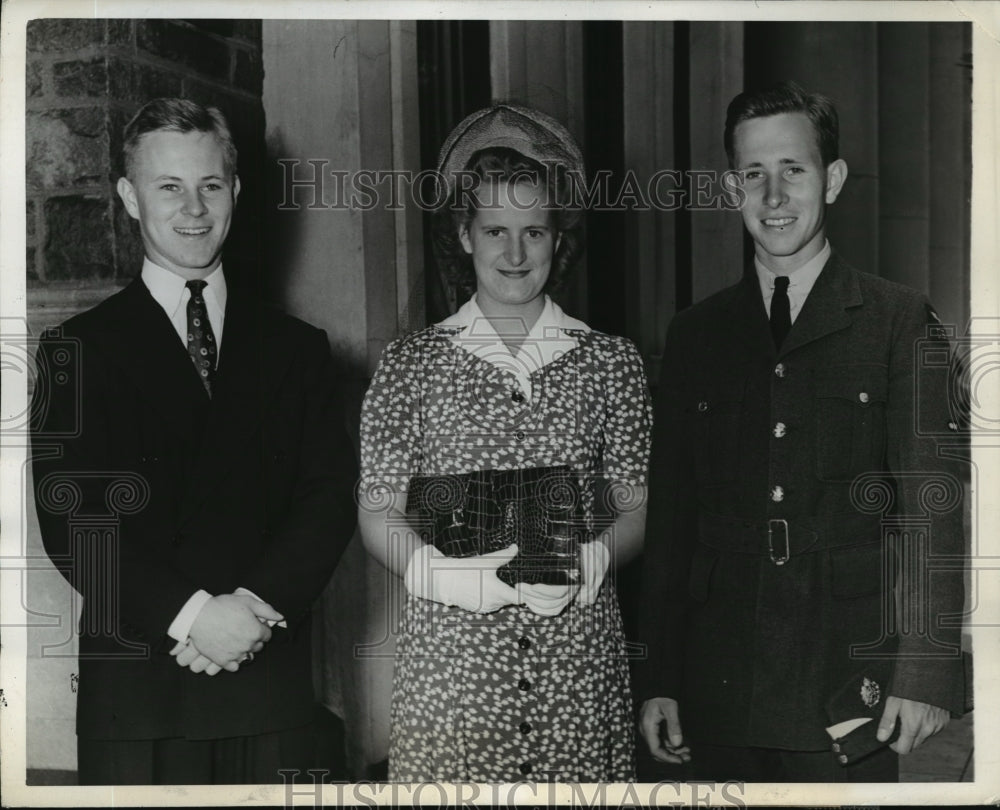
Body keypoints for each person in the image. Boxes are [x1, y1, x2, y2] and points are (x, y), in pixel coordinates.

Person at [637, 81, 967, 782]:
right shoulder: (696, 335)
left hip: (845, 679)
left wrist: (926, 671)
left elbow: (931, 506)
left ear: (833, 179)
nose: (774, 195)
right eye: (753, 174)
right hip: (718, 679)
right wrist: (659, 675)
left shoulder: (898, 320)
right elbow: (671, 523)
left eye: (794, 169)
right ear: (732, 189)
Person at [30, 98, 357, 784]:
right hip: (141, 695)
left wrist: (251, 611)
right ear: (129, 196)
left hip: (268, 683)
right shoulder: (79, 349)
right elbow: (75, 521)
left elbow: (327, 498)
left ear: (235, 190)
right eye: (168, 187)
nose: (194, 209)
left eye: (210, 185)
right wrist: (194, 615)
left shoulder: (298, 350)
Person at [357, 103, 651, 782]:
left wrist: (595, 561)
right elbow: (377, 510)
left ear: (558, 239)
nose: (514, 254)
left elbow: (637, 506)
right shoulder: (412, 363)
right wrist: (436, 572)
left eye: (533, 232)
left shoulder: (611, 361)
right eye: (494, 229)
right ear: (464, 235)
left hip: (574, 655)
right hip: (454, 664)